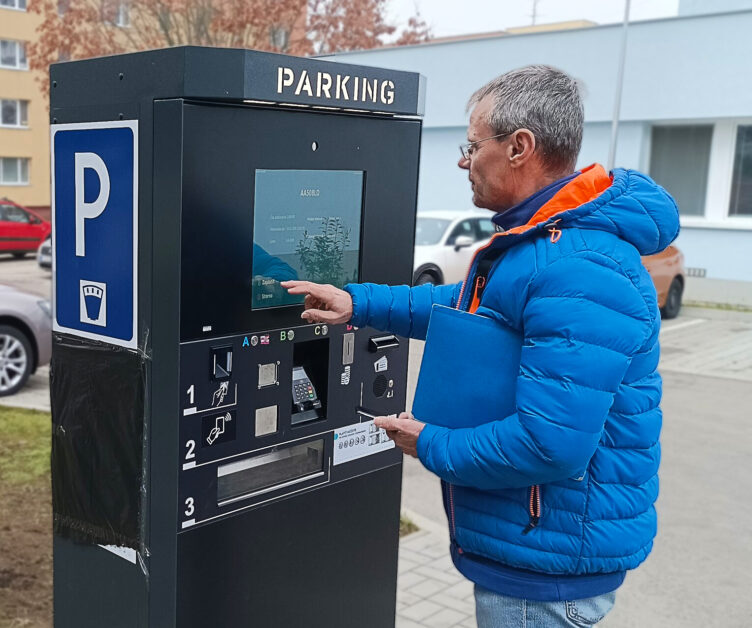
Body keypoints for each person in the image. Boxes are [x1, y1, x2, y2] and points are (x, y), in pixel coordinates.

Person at [282, 64, 679, 627]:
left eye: (473, 144)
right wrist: (358, 303)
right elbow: (464, 308)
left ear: (520, 147)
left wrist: (431, 444)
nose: (464, 160)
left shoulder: (579, 266)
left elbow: (550, 445)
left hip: (544, 573)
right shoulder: (541, 243)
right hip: (535, 550)